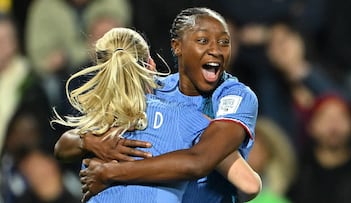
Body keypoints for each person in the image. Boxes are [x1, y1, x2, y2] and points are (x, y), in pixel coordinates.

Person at [56, 7, 259, 203]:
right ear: (176, 47)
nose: (215, 50)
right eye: (203, 41)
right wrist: (89, 141)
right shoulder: (162, 97)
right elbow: (249, 184)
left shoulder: (235, 96)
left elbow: (200, 160)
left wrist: (111, 172)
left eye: (224, 42)